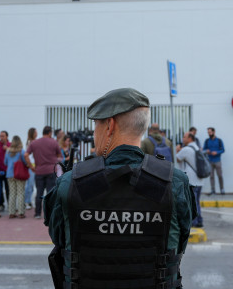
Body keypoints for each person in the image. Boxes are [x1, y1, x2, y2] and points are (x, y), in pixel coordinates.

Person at [44, 88, 195, 289]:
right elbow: (180, 243)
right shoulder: (174, 181)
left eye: (96, 125)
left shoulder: (70, 182)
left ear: (110, 125)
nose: (94, 134)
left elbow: (59, 239)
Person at [26, 125, 61, 219]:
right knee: (50, 193)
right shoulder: (54, 142)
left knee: (39, 193)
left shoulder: (34, 143)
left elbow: (26, 155)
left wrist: (31, 166)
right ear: (50, 133)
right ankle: (49, 214)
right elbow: (59, 155)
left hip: (39, 171)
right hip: (51, 170)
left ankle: (37, 213)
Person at [175, 131, 204, 227]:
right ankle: (199, 220)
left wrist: (178, 150)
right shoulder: (197, 147)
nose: (183, 139)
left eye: (184, 137)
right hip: (200, 180)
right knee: (197, 202)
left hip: (191, 180)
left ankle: (194, 221)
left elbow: (178, 159)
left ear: (190, 138)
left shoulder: (186, 149)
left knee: (192, 203)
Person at [3, 135, 29, 219]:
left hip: (10, 174)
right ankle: (21, 212)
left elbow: (5, 163)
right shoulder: (21, 151)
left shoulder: (8, 152)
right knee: (21, 193)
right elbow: (25, 163)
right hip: (19, 174)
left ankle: (11, 212)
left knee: (12, 193)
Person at [202, 127, 225, 195]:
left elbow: (223, 150)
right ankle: (213, 190)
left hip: (217, 161)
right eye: (208, 132)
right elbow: (203, 150)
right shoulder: (206, 141)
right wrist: (207, 151)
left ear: (214, 132)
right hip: (210, 161)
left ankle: (222, 189)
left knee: (220, 175)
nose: (209, 134)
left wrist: (217, 152)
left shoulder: (219, 140)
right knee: (211, 176)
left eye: (210, 132)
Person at [0, 130, 11, 210]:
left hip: (8, 171)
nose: (1, 138)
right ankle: (1, 204)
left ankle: (9, 204)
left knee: (9, 189)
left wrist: (8, 149)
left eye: (3, 136)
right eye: (0, 136)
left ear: (7, 137)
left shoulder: (11, 145)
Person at [23, 127, 38, 211]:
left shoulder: (32, 142)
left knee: (31, 185)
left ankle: (29, 201)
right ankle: (26, 201)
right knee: (30, 184)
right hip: (31, 166)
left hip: (34, 165)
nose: (37, 133)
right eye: (35, 132)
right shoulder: (30, 142)